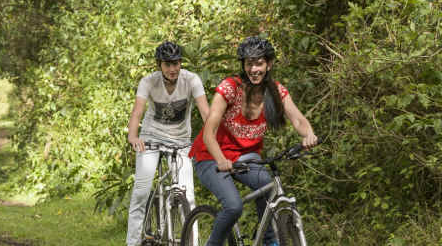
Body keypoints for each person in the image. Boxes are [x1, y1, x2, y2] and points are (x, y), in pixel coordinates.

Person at [188, 36, 318, 246]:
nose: (254, 69)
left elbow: (298, 118)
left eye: (259, 63)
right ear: (243, 65)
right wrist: (221, 159)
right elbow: (208, 134)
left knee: (268, 186)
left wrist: (308, 134)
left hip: (246, 157)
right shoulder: (229, 88)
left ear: (269, 64)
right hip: (210, 156)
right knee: (233, 206)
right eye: (249, 63)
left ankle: (268, 241)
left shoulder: (275, 91)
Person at [126, 41, 211, 246]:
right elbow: (137, 112)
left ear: (181, 63)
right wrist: (133, 136)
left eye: (176, 63)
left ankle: (192, 243)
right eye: (168, 64)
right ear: (159, 65)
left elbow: (206, 112)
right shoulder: (148, 81)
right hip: (152, 137)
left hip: (181, 141)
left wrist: (213, 137)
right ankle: (132, 242)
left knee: (188, 196)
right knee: (141, 191)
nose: (173, 69)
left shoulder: (191, 80)